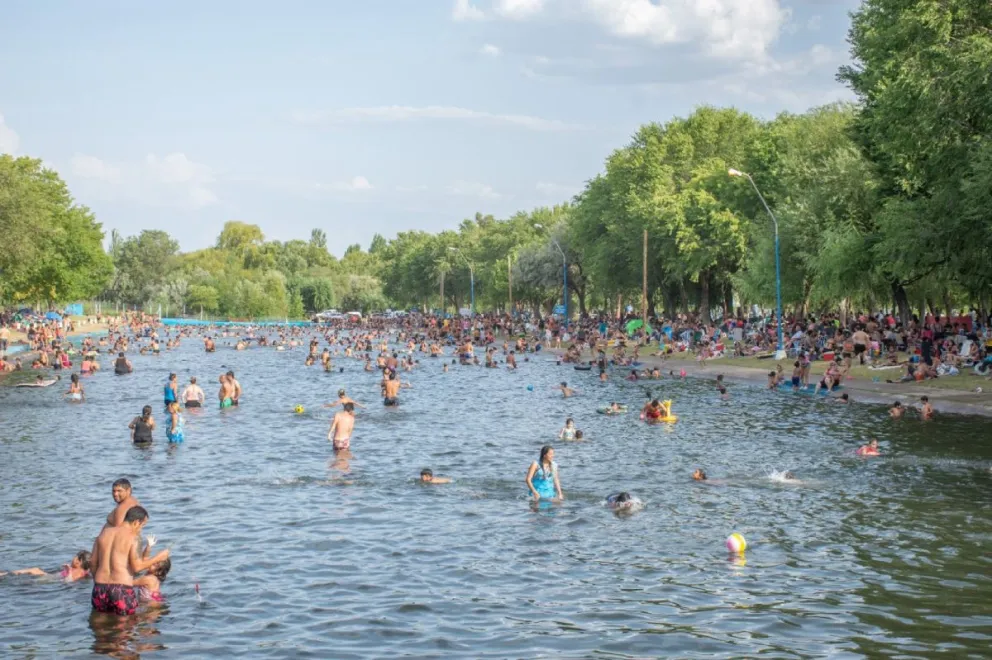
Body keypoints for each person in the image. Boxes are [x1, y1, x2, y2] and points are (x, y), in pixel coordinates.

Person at [90, 506, 169, 616]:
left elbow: (93, 563)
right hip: (121, 589)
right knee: (126, 627)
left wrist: (98, 581)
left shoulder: (103, 534)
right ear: (136, 522)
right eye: (142, 525)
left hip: (99, 587)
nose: (141, 529)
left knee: (100, 624)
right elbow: (137, 567)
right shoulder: (134, 537)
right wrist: (159, 557)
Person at [0, 550, 91, 581]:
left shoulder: (78, 572)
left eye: (75, 557)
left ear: (78, 562)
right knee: (35, 570)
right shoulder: (83, 572)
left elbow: (68, 582)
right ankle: (5, 574)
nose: (73, 558)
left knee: (34, 570)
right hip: (52, 577)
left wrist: (69, 571)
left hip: (51, 579)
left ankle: (4, 574)